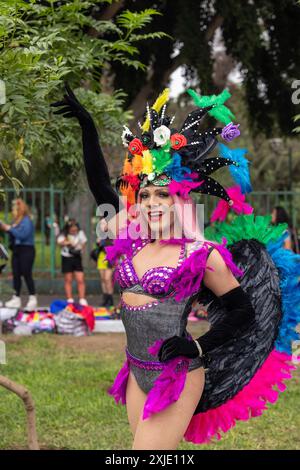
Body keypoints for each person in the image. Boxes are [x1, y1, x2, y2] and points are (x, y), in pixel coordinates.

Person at [51, 84, 300, 449]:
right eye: (146, 193)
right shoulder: (134, 239)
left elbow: (242, 312)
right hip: (136, 371)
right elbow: (100, 186)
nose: (152, 202)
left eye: (163, 194)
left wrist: (197, 348)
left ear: (180, 199)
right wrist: (87, 126)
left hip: (178, 375)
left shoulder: (201, 254)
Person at [0, 198, 37, 310]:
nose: (12, 211)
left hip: (27, 250)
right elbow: (13, 233)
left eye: (14, 209)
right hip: (17, 250)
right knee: (16, 274)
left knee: (26, 273)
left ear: (19, 209)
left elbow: (23, 235)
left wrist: (9, 228)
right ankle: (16, 298)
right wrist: (5, 228)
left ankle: (32, 298)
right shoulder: (16, 221)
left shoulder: (26, 220)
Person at [57, 219, 88, 306]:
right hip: (66, 258)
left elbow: (84, 242)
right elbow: (59, 242)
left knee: (80, 279)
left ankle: (82, 299)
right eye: (72, 228)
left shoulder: (80, 233)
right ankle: (69, 299)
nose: (74, 230)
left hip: (77, 257)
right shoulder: (64, 234)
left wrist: (79, 248)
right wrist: (67, 242)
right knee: (68, 279)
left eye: (75, 228)